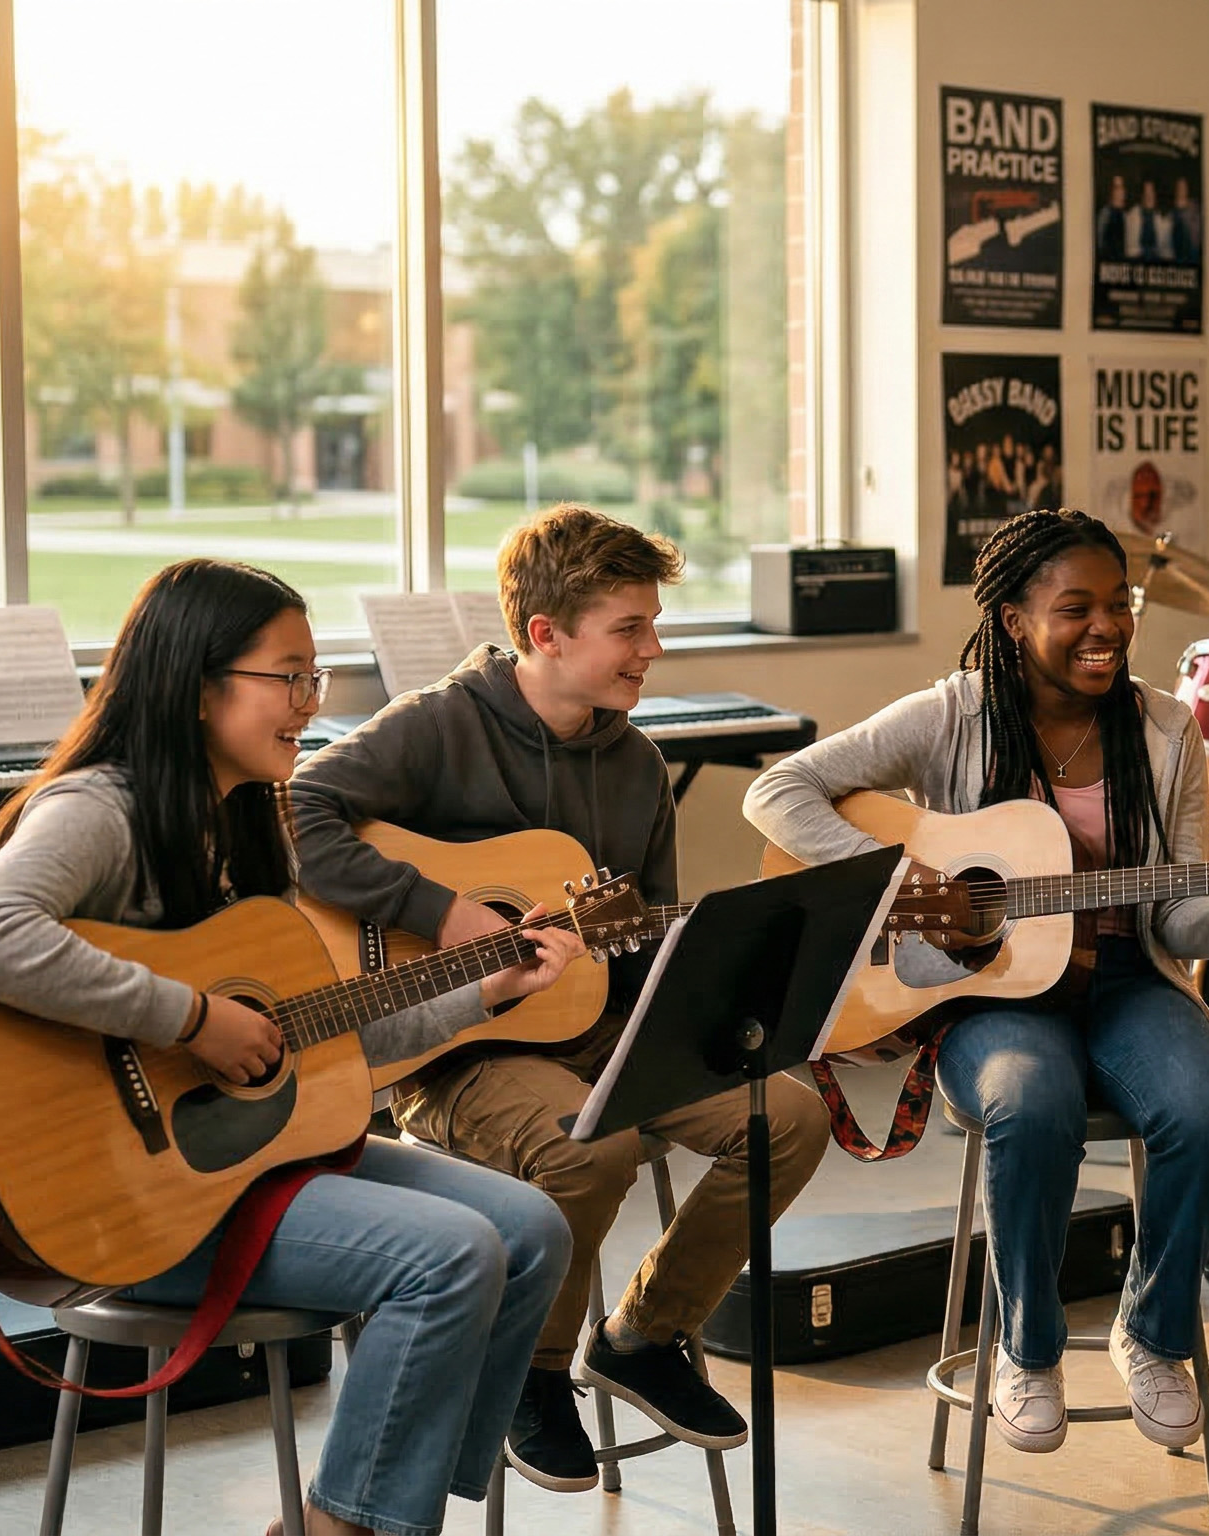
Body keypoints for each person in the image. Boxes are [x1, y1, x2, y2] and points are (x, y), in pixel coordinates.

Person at [0, 559, 578, 1536]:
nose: (310, 703)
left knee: (532, 1231)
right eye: (290, 677)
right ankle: (345, 1527)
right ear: (200, 687)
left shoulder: (249, 824)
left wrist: (483, 991)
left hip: (245, 1168)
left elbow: (319, 1029)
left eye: (315, 677)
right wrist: (191, 1019)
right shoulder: (101, 808)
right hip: (129, 1203)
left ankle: (380, 1511)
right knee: (451, 1256)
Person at [747, 509, 1209, 1454]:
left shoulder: (1166, 729)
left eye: (1118, 605)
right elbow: (776, 792)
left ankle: (1154, 1334)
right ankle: (1028, 1349)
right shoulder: (953, 714)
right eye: (1075, 608)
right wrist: (909, 884)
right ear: (1013, 620)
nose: (1108, 628)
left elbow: (1176, 916)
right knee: (1031, 1102)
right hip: (991, 989)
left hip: (1128, 975)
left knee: (1208, 1113)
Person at [288, 505, 825, 1492]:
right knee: (592, 1146)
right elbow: (296, 812)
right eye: (630, 628)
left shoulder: (633, 763)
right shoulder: (438, 725)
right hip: (454, 1052)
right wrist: (441, 911)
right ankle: (530, 1376)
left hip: (590, 1030)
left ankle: (643, 1337)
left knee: (789, 1115)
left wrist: (720, 968)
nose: (652, 650)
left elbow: (640, 941)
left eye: (652, 626)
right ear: (547, 633)